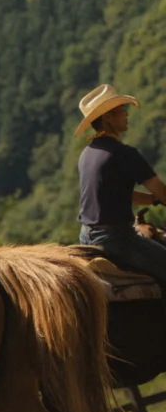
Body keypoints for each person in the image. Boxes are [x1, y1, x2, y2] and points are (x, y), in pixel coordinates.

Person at [75, 83, 166, 282]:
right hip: (117, 239)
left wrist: (153, 200)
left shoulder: (87, 154)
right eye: (121, 111)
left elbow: (117, 193)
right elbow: (161, 190)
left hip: (86, 237)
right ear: (107, 117)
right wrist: (160, 196)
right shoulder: (124, 154)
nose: (127, 115)